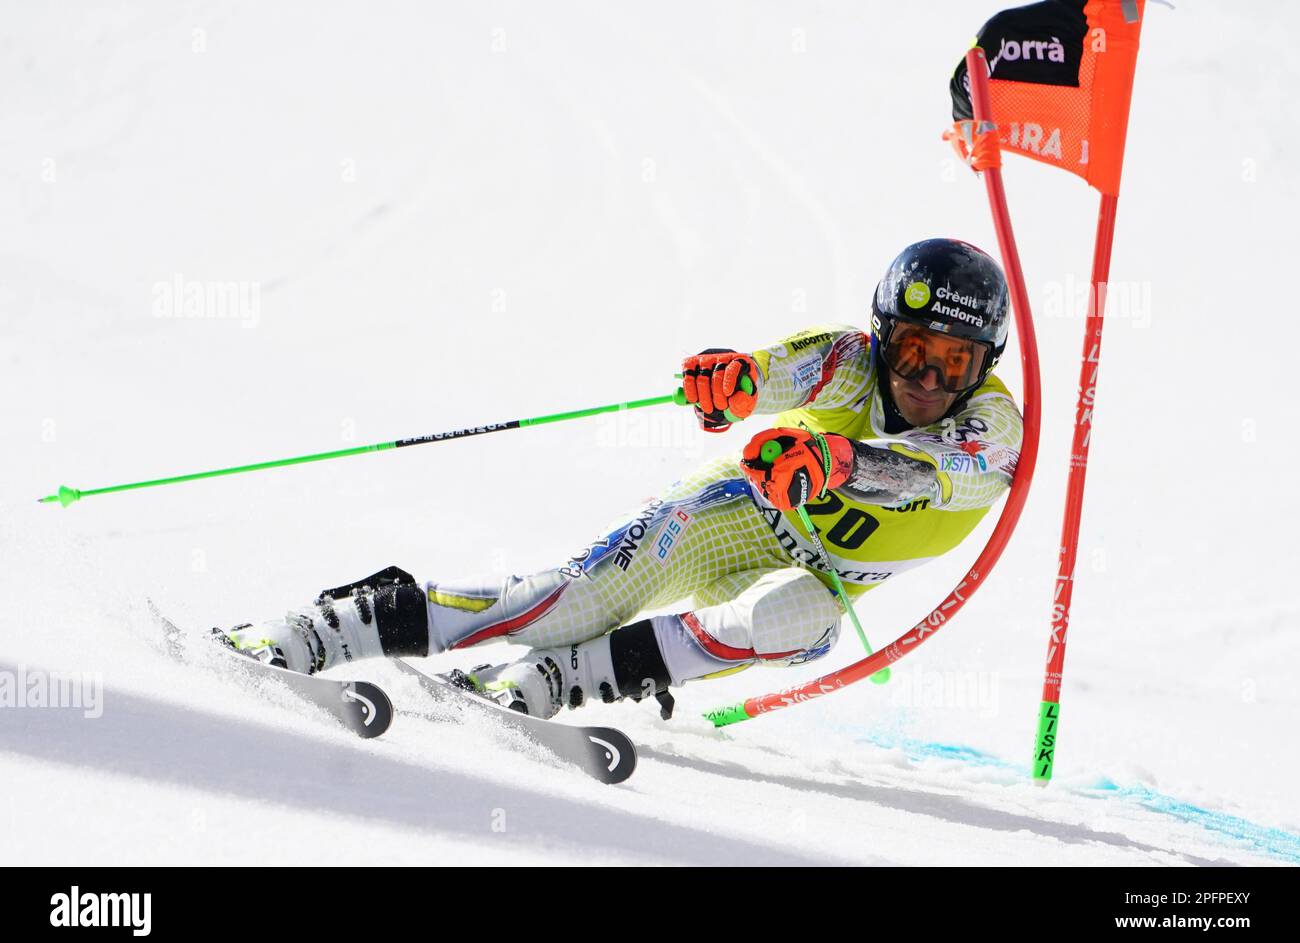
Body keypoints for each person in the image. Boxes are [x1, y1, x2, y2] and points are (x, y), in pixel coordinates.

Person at [214, 237, 1022, 720]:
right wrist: (735, 382)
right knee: (565, 602)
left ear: (984, 364)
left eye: (955, 361)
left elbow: (930, 474)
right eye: (915, 347)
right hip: (741, 516)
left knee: (795, 619)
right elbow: (777, 373)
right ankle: (333, 626)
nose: (927, 377)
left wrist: (840, 462)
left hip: (828, 582)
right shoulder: (852, 361)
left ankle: (563, 682)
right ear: (885, 334)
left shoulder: (993, 428)